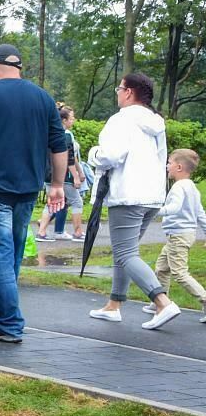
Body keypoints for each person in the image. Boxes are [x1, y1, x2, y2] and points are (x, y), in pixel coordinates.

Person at [0, 44, 68, 343]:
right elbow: (59, 144)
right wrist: (57, 184)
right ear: (19, 67)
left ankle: (9, 324)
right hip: (28, 188)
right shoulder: (43, 98)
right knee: (13, 254)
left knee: (0, 256)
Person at [86, 73, 178, 327]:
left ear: (128, 92)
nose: (117, 92)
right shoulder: (156, 122)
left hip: (127, 194)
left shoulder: (121, 120)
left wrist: (93, 153)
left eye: (119, 88)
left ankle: (162, 302)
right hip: (152, 196)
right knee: (125, 252)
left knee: (125, 253)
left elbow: (110, 156)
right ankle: (114, 305)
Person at [145, 149, 206, 327]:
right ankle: (159, 302)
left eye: (169, 162)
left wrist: (153, 210)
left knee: (180, 273)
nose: (167, 166)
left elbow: (174, 207)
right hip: (181, 235)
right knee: (162, 268)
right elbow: (200, 214)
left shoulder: (179, 187)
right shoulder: (191, 187)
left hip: (179, 235)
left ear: (179, 167)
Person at [36, 104, 85, 241]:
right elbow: (69, 158)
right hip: (63, 176)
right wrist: (76, 176)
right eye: (72, 118)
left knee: (52, 203)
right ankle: (78, 232)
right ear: (64, 120)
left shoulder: (48, 133)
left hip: (48, 174)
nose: (73, 120)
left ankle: (41, 231)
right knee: (77, 202)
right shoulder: (65, 135)